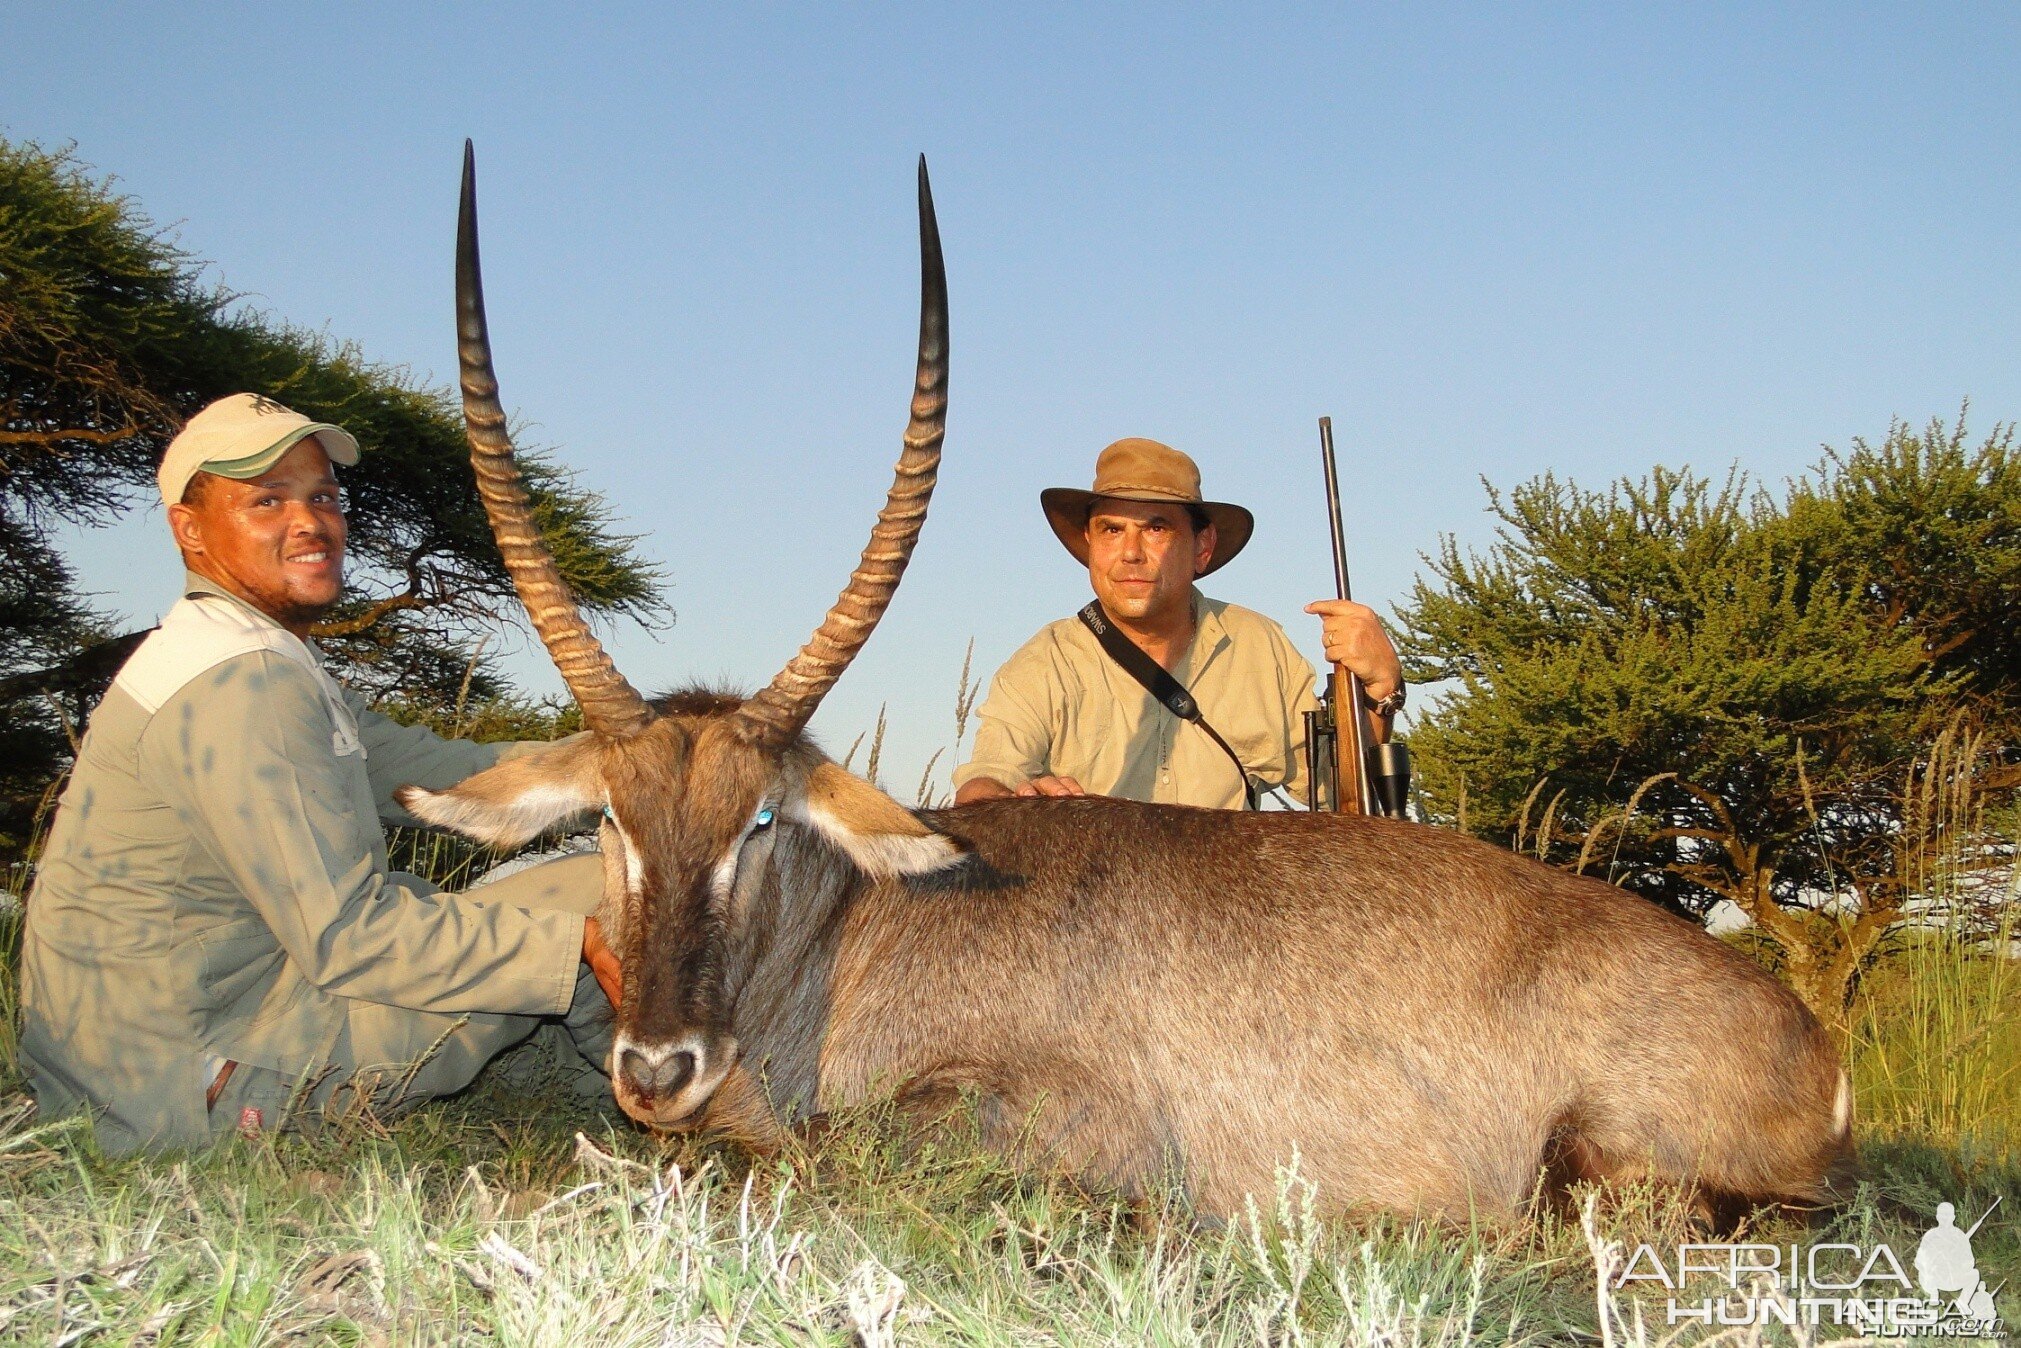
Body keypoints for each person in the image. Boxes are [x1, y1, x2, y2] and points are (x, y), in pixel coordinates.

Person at [18, 393, 623, 1155]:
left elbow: (448, 774)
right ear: (190, 529)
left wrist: (639, 753)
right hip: (194, 1086)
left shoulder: (249, 653)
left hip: (140, 1059)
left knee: (567, 907)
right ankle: (706, 1113)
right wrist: (575, 944)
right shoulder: (241, 684)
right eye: (265, 501)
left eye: (322, 497)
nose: (309, 523)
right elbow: (352, 938)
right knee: (603, 902)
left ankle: (598, 1098)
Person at [952, 437, 1403, 810]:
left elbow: (1339, 794)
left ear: (1202, 546)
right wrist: (1003, 800)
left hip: (1231, 906)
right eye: (1111, 530)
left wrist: (1379, 690)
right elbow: (987, 778)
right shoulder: (1046, 661)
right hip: (1097, 910)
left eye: (1155, 529)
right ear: (1090, 543)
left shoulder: (1259, 644)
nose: (1130, 552)